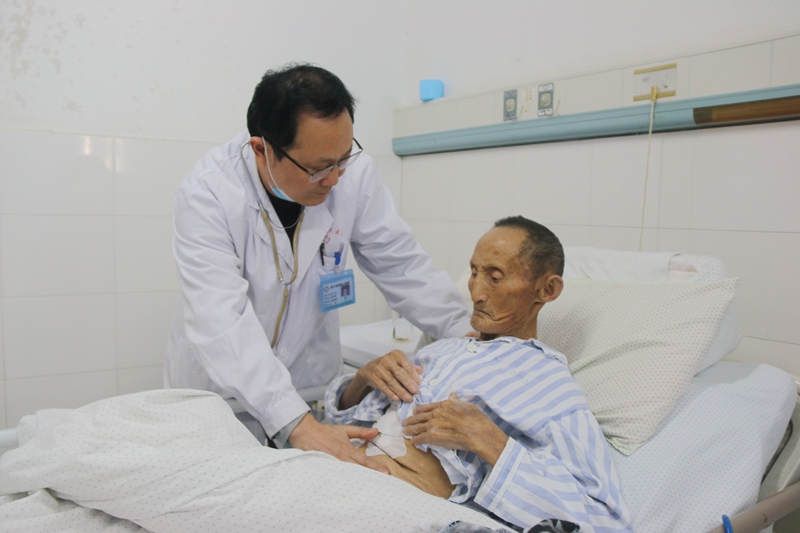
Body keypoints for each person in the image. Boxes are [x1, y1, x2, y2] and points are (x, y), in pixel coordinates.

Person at [164, 63, 471, 470]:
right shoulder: (208, 193)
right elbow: (220, 319)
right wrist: (295, 423)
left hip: (308, 386)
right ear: (262, 149)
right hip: (222, 398)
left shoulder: (352, 175)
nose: (334, 179)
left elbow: (401, 264)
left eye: (343, 159)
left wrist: (468, 334)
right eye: (318, 167)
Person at [325, 216, 633, 533]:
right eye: (474, 273)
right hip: (330, 466)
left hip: (383, 503)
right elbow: (336, 424)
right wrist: (362, 380)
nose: (476, 293)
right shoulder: (442, 350)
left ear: (547, 289)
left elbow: (605, 519)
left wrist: (490, 441)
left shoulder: (547, 381)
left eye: (495, 278)